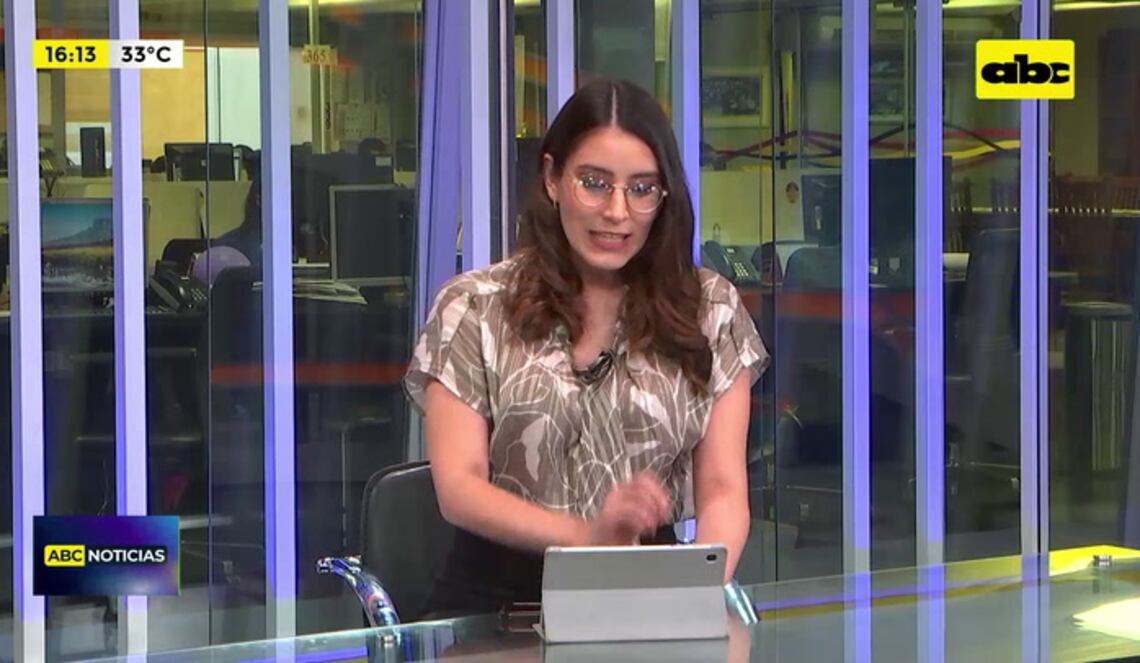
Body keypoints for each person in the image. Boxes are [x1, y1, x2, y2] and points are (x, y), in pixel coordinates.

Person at [403, 78, 769, 618]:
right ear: (552, 179)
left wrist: (697, 592)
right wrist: (589, 539)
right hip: (497, 606)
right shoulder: (474, 307)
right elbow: (459, 488)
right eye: (594, 183)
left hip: (650, 597)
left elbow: (722, 490)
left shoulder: (710, 309)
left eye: (642, 189)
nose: (617, 211)